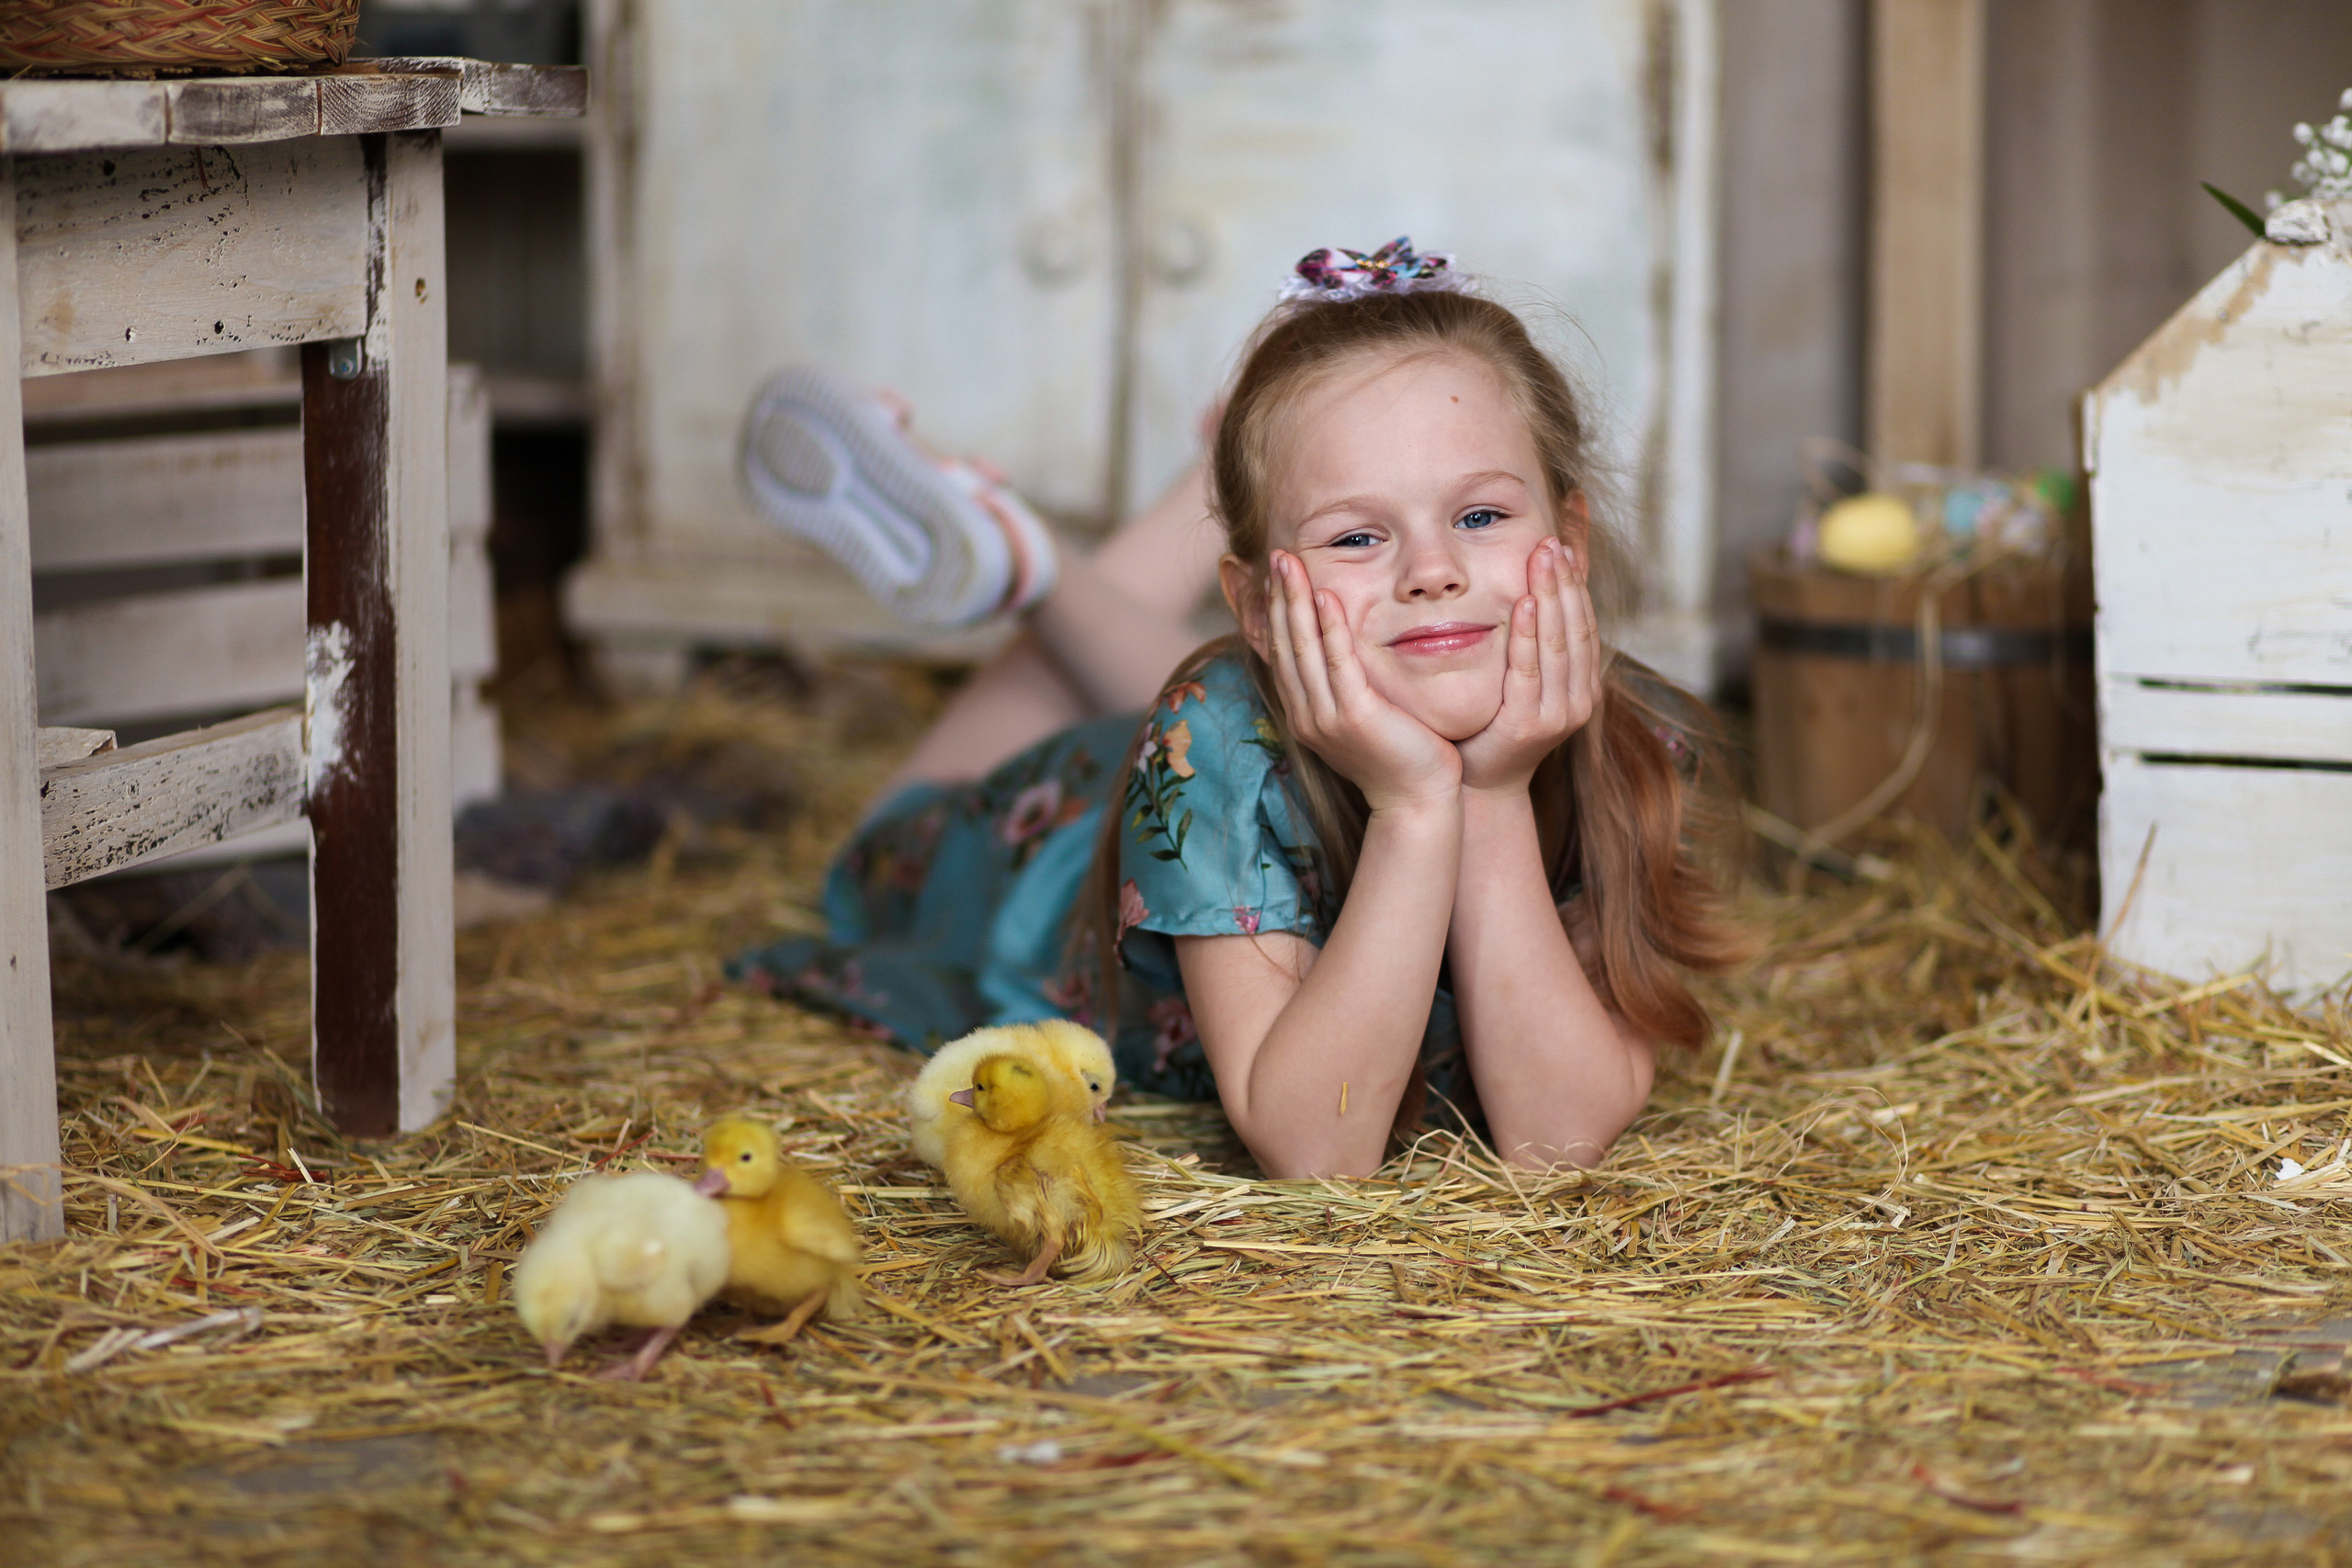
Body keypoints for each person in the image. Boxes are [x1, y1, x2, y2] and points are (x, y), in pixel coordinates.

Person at [733, 240, 1749, 1177]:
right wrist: (1417, 808)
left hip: (1235, 739)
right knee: (894, 834)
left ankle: (1055, 560)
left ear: (1566, 543)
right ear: (1259, 601)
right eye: (1357, 537)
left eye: (1480, 516)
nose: (1433, 571)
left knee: (1268, 679)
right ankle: (1042, 563)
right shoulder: (1208, 736)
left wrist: (1492, 796)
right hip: (1041, 846)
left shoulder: (1637, 740)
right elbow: (1316, 1147)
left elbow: (1554, 1139)